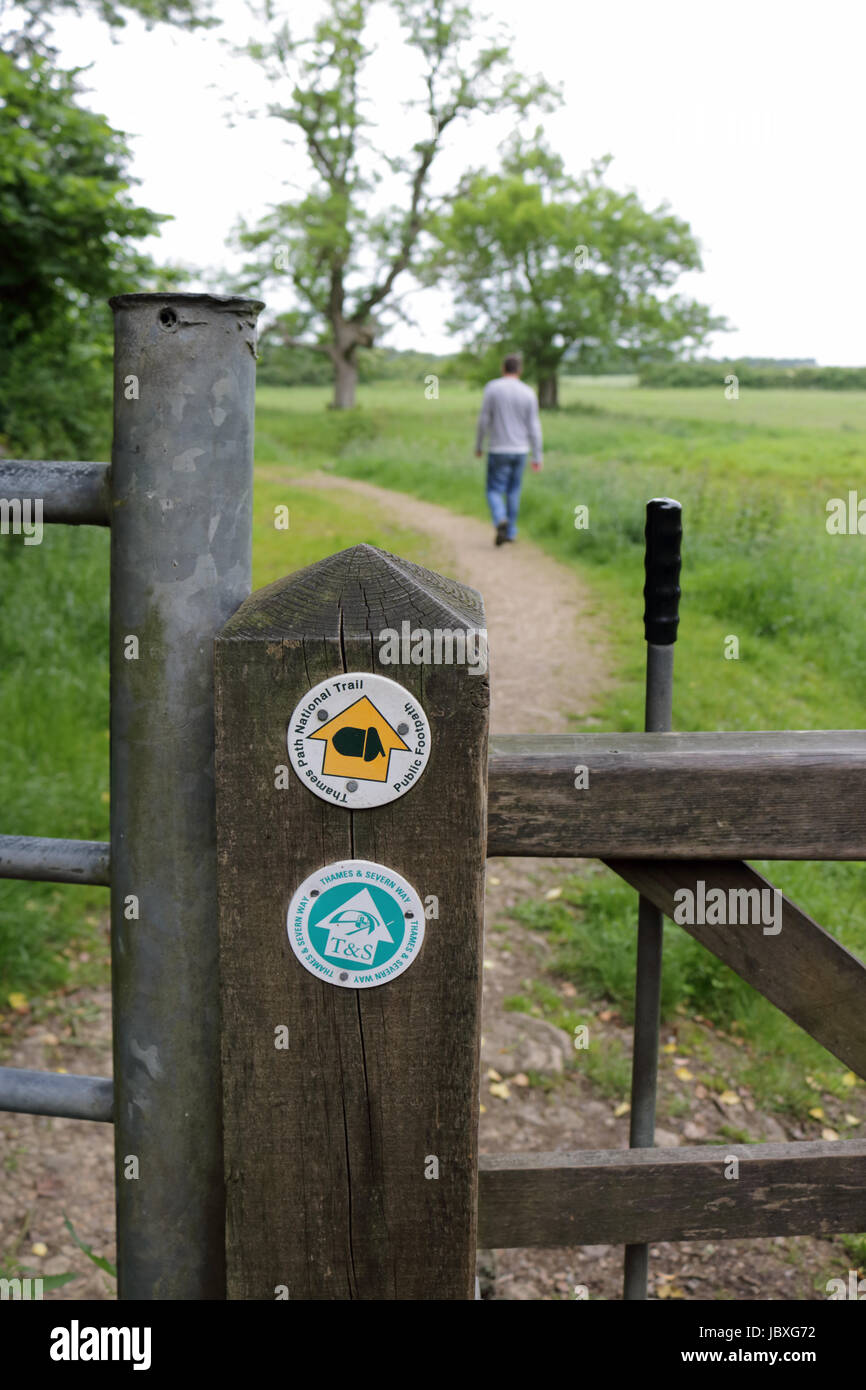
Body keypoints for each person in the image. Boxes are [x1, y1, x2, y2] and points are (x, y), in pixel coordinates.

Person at [474, 352, 543, 547]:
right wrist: (537, 456)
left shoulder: (493, 388)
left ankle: (500, 519)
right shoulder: (528, 392)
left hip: (498, 449)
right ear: (520, 370)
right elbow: (534, 427)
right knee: (514, 490)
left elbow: (484, 420)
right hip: (521, 450)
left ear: (503, 368)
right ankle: (511, 531)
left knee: (494, 490)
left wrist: (479, 445)